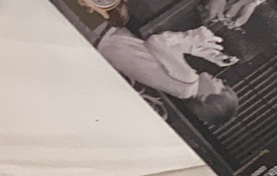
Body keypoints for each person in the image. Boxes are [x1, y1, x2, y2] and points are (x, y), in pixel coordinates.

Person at [95, 26, 240, 125]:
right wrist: (206, 53)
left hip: (107, 35)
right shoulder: (183, 90)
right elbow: (173, 49)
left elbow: (155, 42)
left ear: (204, 99)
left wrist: (192, 37)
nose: (221, 81)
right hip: (106, 44)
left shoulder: (188, 80)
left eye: (222, 89)